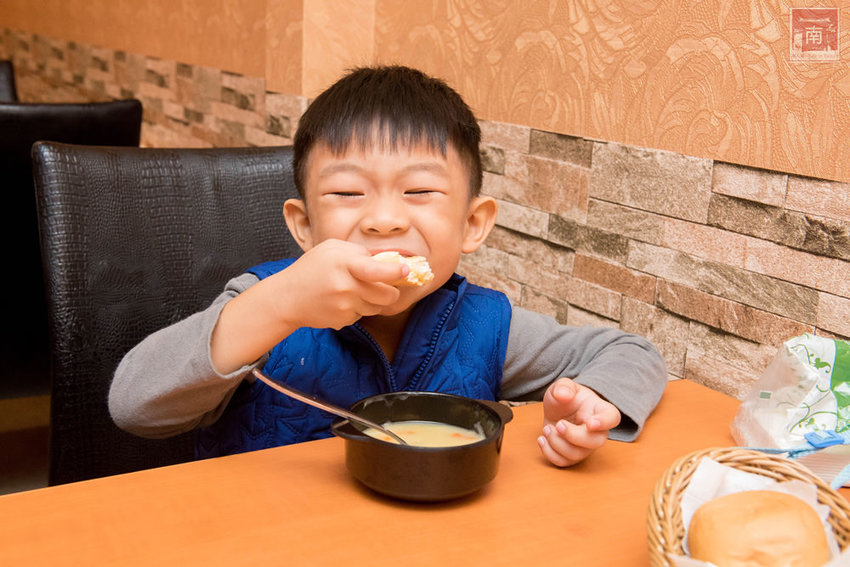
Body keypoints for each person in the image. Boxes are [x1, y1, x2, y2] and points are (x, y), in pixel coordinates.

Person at [109, 65, 666, 467]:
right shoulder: (264, 300)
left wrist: (594, 404)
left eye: (419, 191)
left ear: (472, 224)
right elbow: (134, 406)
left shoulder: (486, 325)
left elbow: (630, 352)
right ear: (304, 226)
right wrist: (278, 306)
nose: (382, 220)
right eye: (348, 192)